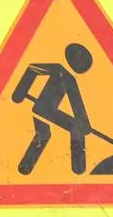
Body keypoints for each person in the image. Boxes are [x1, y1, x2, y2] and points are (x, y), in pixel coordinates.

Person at [11, 43, 96, 176]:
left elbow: (77, 104)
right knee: (59, 130)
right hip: (44, 109)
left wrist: (19, 94)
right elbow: (32, 69)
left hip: (45, 110)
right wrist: (19, 93)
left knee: (47, 133)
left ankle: (26, 168)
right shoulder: (60, 71)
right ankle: (78, 168)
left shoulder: (68, 77)